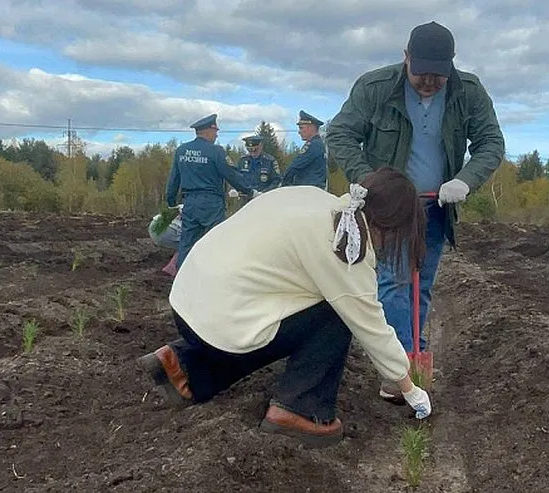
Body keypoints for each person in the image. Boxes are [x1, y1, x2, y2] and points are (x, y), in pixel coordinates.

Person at [137, 167, 433, 449]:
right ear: (390, 225)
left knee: (275, 316)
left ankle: (184, 365)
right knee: (336, 315)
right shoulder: (344, 241)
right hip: (224, 320)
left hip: (189, 302)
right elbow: (370, 326)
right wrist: (408, 386)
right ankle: (301, 410)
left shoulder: (314, 198)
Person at [326, 21, 505, 402]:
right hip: (389, 208)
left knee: (421, 286)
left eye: (438, 76)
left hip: (436, 206)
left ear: (450, 67)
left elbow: (491, 141)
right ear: (406, 57)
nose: (428, 82)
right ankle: (398, 371)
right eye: (421, 73)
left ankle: (412, 356)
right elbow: (340, 132)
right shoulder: (374, 88)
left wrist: (465, 180)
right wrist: (364, 177)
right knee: (392, 282)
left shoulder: (468, 91)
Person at [165, 114, 255, 268]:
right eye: (215, 131)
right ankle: (213, 276)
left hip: (190, 202)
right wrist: (249, 191)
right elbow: (230, 174)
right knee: (215, 240)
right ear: (207, 131)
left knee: (187, 243)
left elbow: (174, 178)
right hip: (211, 203)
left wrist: (171, 201)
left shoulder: (182, 151)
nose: (217, 135)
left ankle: (183, 278)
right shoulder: (216, 151)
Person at [228, 134, 281, 207]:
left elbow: (277, 181)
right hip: (245, 200)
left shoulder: (270, 161)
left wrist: (263, 193)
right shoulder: (243, 161)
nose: (252, 152)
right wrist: (234, 189)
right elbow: (237, 177)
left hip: (264, 200)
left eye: (255, 150)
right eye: (249, 150)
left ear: (261, 146)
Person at [280, 111, 327, 189]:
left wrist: (284, 185)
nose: (299, 132)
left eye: (301, 128)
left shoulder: (313, 145)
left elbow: (294, 166)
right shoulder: (320, 144)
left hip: (307, 190)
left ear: (311, 127)